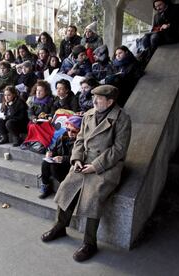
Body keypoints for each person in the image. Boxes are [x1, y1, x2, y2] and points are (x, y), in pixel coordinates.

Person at [41, 85, 132, 263]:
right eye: (94, 98)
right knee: (67, 187)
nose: (94, 101)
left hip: (106, 166)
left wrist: (95, 166)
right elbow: (80, 140)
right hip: (83, 162)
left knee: (93, 196)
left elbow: (119, 150)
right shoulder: (89, 114)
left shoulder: (122, 119)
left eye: (98, 98)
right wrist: (76, 159)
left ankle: (90, 243)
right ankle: (60, 227)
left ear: (110, 101)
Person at [39, 116, 82, 199]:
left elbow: (79, 157)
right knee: (45, 163)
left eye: (74, 131)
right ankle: (45, 185)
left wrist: (63, 158)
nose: (70, 133)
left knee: (53, 167)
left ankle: (66, 188)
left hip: (72, 166)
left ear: (80, 131)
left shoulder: (81, 141)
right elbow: (54, 149)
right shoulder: (62, 137)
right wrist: (50, 153)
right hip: (60, 162)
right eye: (68, 130)